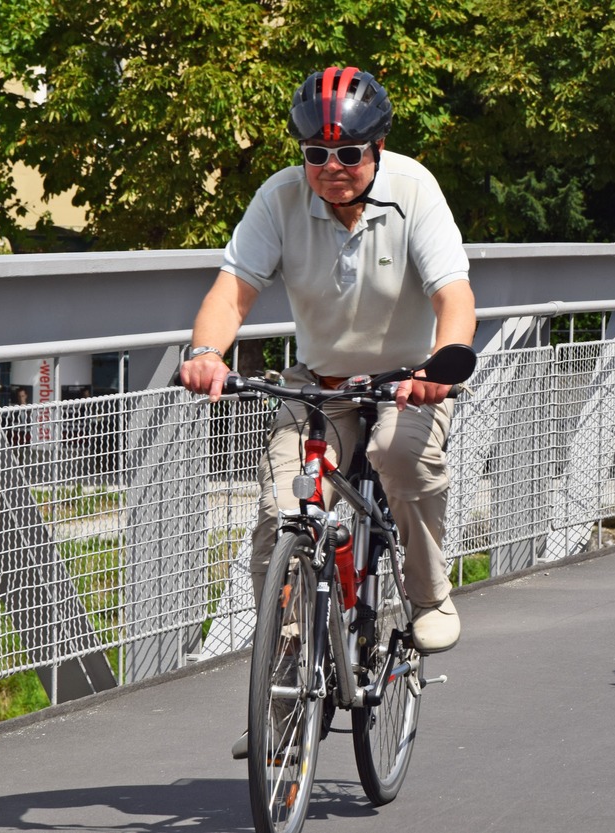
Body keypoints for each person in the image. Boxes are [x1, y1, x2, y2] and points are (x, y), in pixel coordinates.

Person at [180, 67, 476, 660]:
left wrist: (439, 369)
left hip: (404, 384)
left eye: (348, 152)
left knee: (399, 456)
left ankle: (427, 592)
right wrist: (206, 352)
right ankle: (286, 686)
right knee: (283, 515)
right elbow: (232, 290)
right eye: (317, 153)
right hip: (320, 387)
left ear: (378, 147)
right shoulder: (281, 197)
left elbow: (454, 295)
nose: (332, 166)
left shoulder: (414, 188)